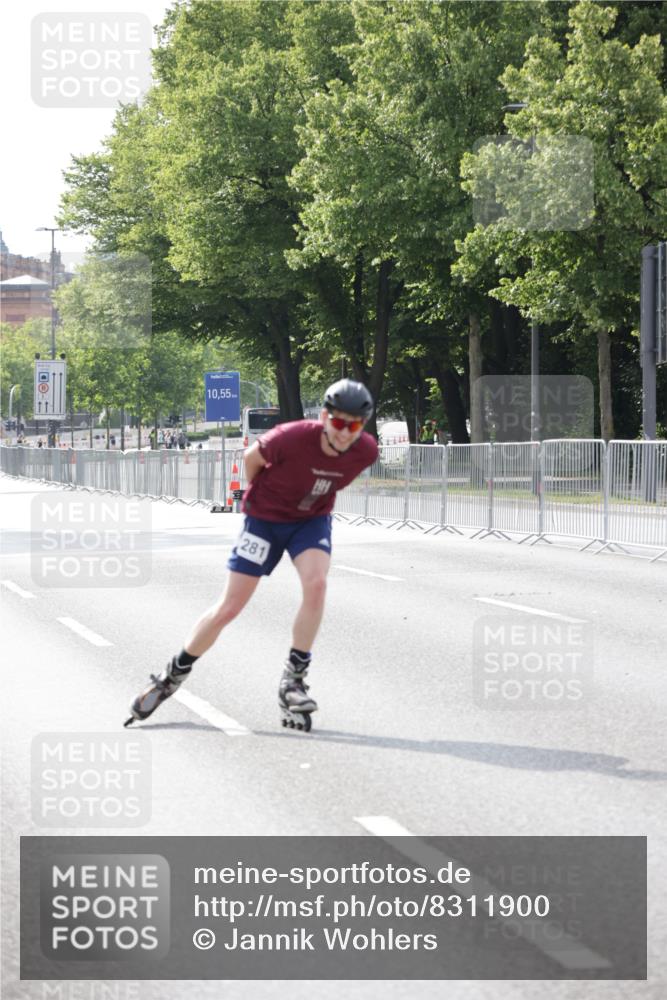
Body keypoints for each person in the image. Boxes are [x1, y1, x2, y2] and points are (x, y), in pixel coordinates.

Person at [125, 379, 378, 728]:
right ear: (324, 416)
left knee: (317, 584)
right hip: (264, 520)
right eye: (338, 422)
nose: (344, 433)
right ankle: (172, 676)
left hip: (310, 521)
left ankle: (293, 679)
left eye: (354, 425)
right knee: (230, 607)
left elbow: (333, 481)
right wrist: (266, 496)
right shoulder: (291, 437)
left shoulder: (366, 451)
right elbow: (250, 460)